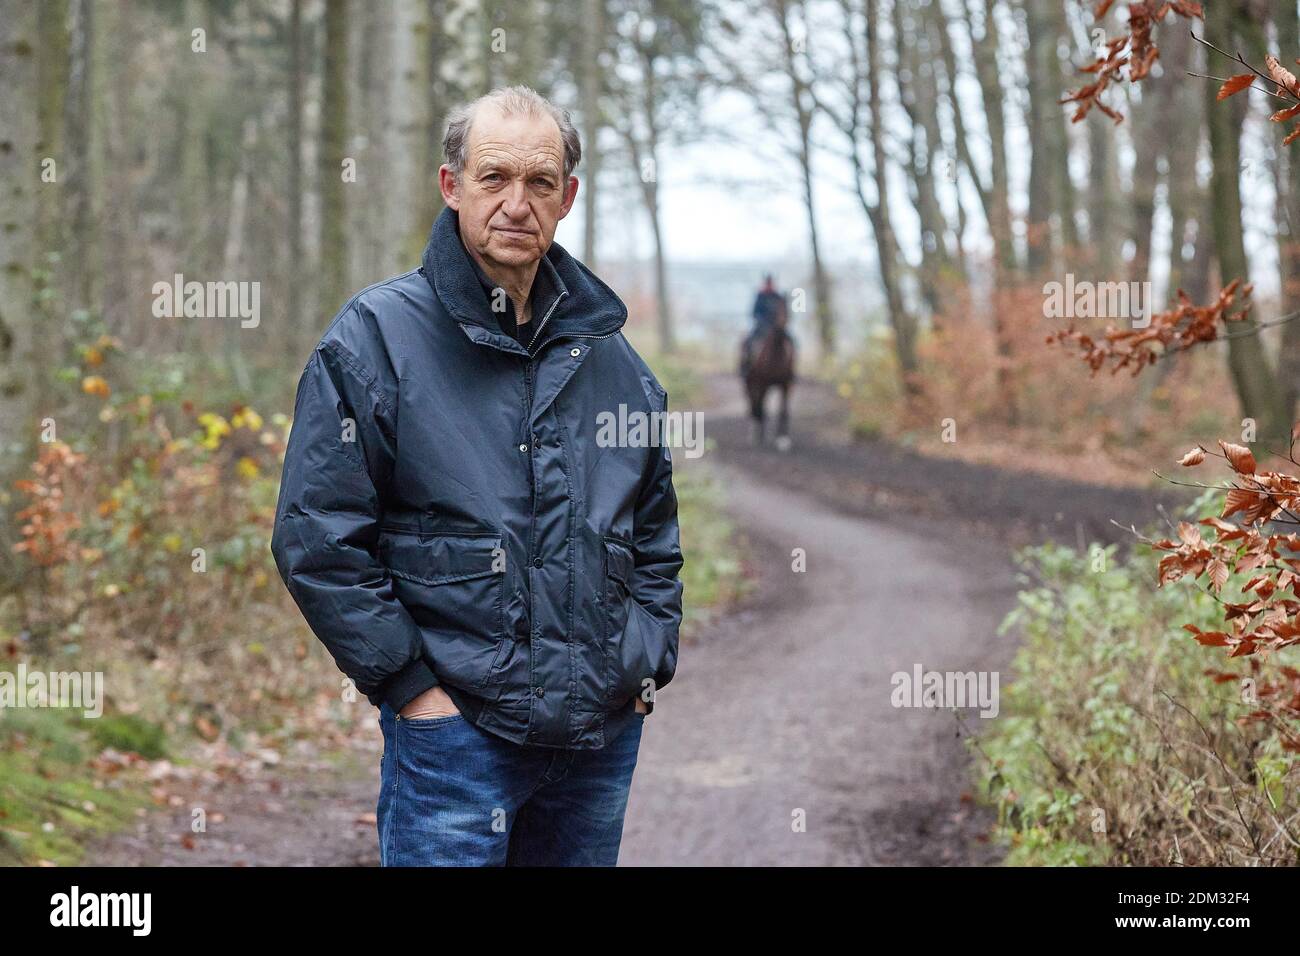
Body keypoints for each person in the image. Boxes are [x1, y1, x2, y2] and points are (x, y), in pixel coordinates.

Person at [270, 86, 683, 867]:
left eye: (538, 182)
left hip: (596, 745)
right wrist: (414, 691)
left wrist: (641, 664)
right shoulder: (375, 340)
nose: (516, 203)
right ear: (452, 186)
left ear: (568, 197)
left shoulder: (617, 365)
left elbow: (654, 540)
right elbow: (317, 540)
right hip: (454, 746)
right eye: (494, 178)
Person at [741, 274, 788, 377]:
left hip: (777, 328)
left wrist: (779, 323)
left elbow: (785, 314)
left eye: (771, 283)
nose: (770, 285)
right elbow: (754, 313)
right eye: (768, 283)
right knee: (748, 342)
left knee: (790, 342)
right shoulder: (760, 296)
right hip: (762, 327)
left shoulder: (778, 297)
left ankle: (789, 371)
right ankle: (746, 367)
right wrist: (762, 322)